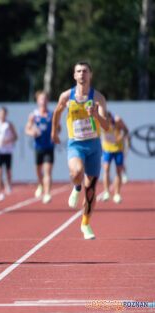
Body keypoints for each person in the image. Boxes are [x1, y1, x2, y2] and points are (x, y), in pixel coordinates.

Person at [51, 61, 109, 240]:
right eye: (78, 71)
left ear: (91, 75)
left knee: (91, 190)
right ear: (74, 76)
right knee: (76, 171)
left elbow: (106, 126)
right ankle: (76, 188)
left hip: (94, 145)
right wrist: (54, 131)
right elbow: (57, 112)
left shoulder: (98, 98)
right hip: (76, 144)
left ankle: (85, 224)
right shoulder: (66, 97)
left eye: (85, 71)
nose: (82, 74)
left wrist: (96, 115)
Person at [25, 91, 57, 204]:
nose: (43, 101)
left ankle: (47, 194)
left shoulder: (52, 115)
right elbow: (27, 130)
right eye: (40, 99)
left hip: (49, 147)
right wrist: (32, 132)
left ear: (47, 100)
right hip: (38, 147)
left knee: (47, 172)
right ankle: (40, 184)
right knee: (38, 170)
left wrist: (55, 133)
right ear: (38, 101)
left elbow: (59, 128)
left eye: (44, 99)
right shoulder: (33, 115)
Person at [0, 107, 18, 201]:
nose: (2, 115)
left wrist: (7, 140)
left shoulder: (9, 124)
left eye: (3, 114)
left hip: (7, 151)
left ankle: (8, 183)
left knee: (8, 171)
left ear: (6, 114)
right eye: (0, 113)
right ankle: (0, 192)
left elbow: (15, 137)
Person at [101, 111, 129, 203]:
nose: (106, 124)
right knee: (106, 169)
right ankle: (107, 192)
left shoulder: (118, 120)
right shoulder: (100, 120)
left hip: (118, 149)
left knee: (118, 171)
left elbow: (126, 130)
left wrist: (122, 138)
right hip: (107, 149)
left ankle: (116, 194)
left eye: (108, 121)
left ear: (110, 118)